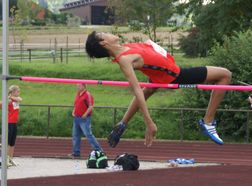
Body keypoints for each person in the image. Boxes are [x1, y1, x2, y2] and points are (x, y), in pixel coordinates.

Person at [85, 31, 232, 147]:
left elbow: (150, 54)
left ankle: (122, 124)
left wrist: (150, 45)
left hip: (159, 75)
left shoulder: (126, 47)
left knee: (148, 89)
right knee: (225, 75)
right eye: (104, 34)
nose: (108, 33)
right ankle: (208, 121)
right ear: (103, 42)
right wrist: (149, 123)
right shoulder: (124, 59)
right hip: (177, 75)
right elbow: (136, 91)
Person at [68, 83, 103, 158]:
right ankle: (76, 152)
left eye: (79, 86)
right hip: (76, 118)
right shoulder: (78, 94)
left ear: (84, 86)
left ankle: (99, 151)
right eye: (77, 86)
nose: (77, 87)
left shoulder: (87, 95)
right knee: (75, 135)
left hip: (84, 119)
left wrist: (85, 114)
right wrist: (73, 111)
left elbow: (90, 107)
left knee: (88, 135)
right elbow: (76, 104)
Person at [0, 85, 22, 167]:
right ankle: (5, 160)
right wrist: (6, 100)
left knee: (12, 142)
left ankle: (10, 159)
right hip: (9, 123)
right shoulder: (8, 100)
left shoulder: (16, 99)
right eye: (17, 91)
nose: (19, 92)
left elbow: (20, 99)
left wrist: (10, 97)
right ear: (13, 92)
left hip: (14, 123)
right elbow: (1, 104)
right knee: (8, 142)